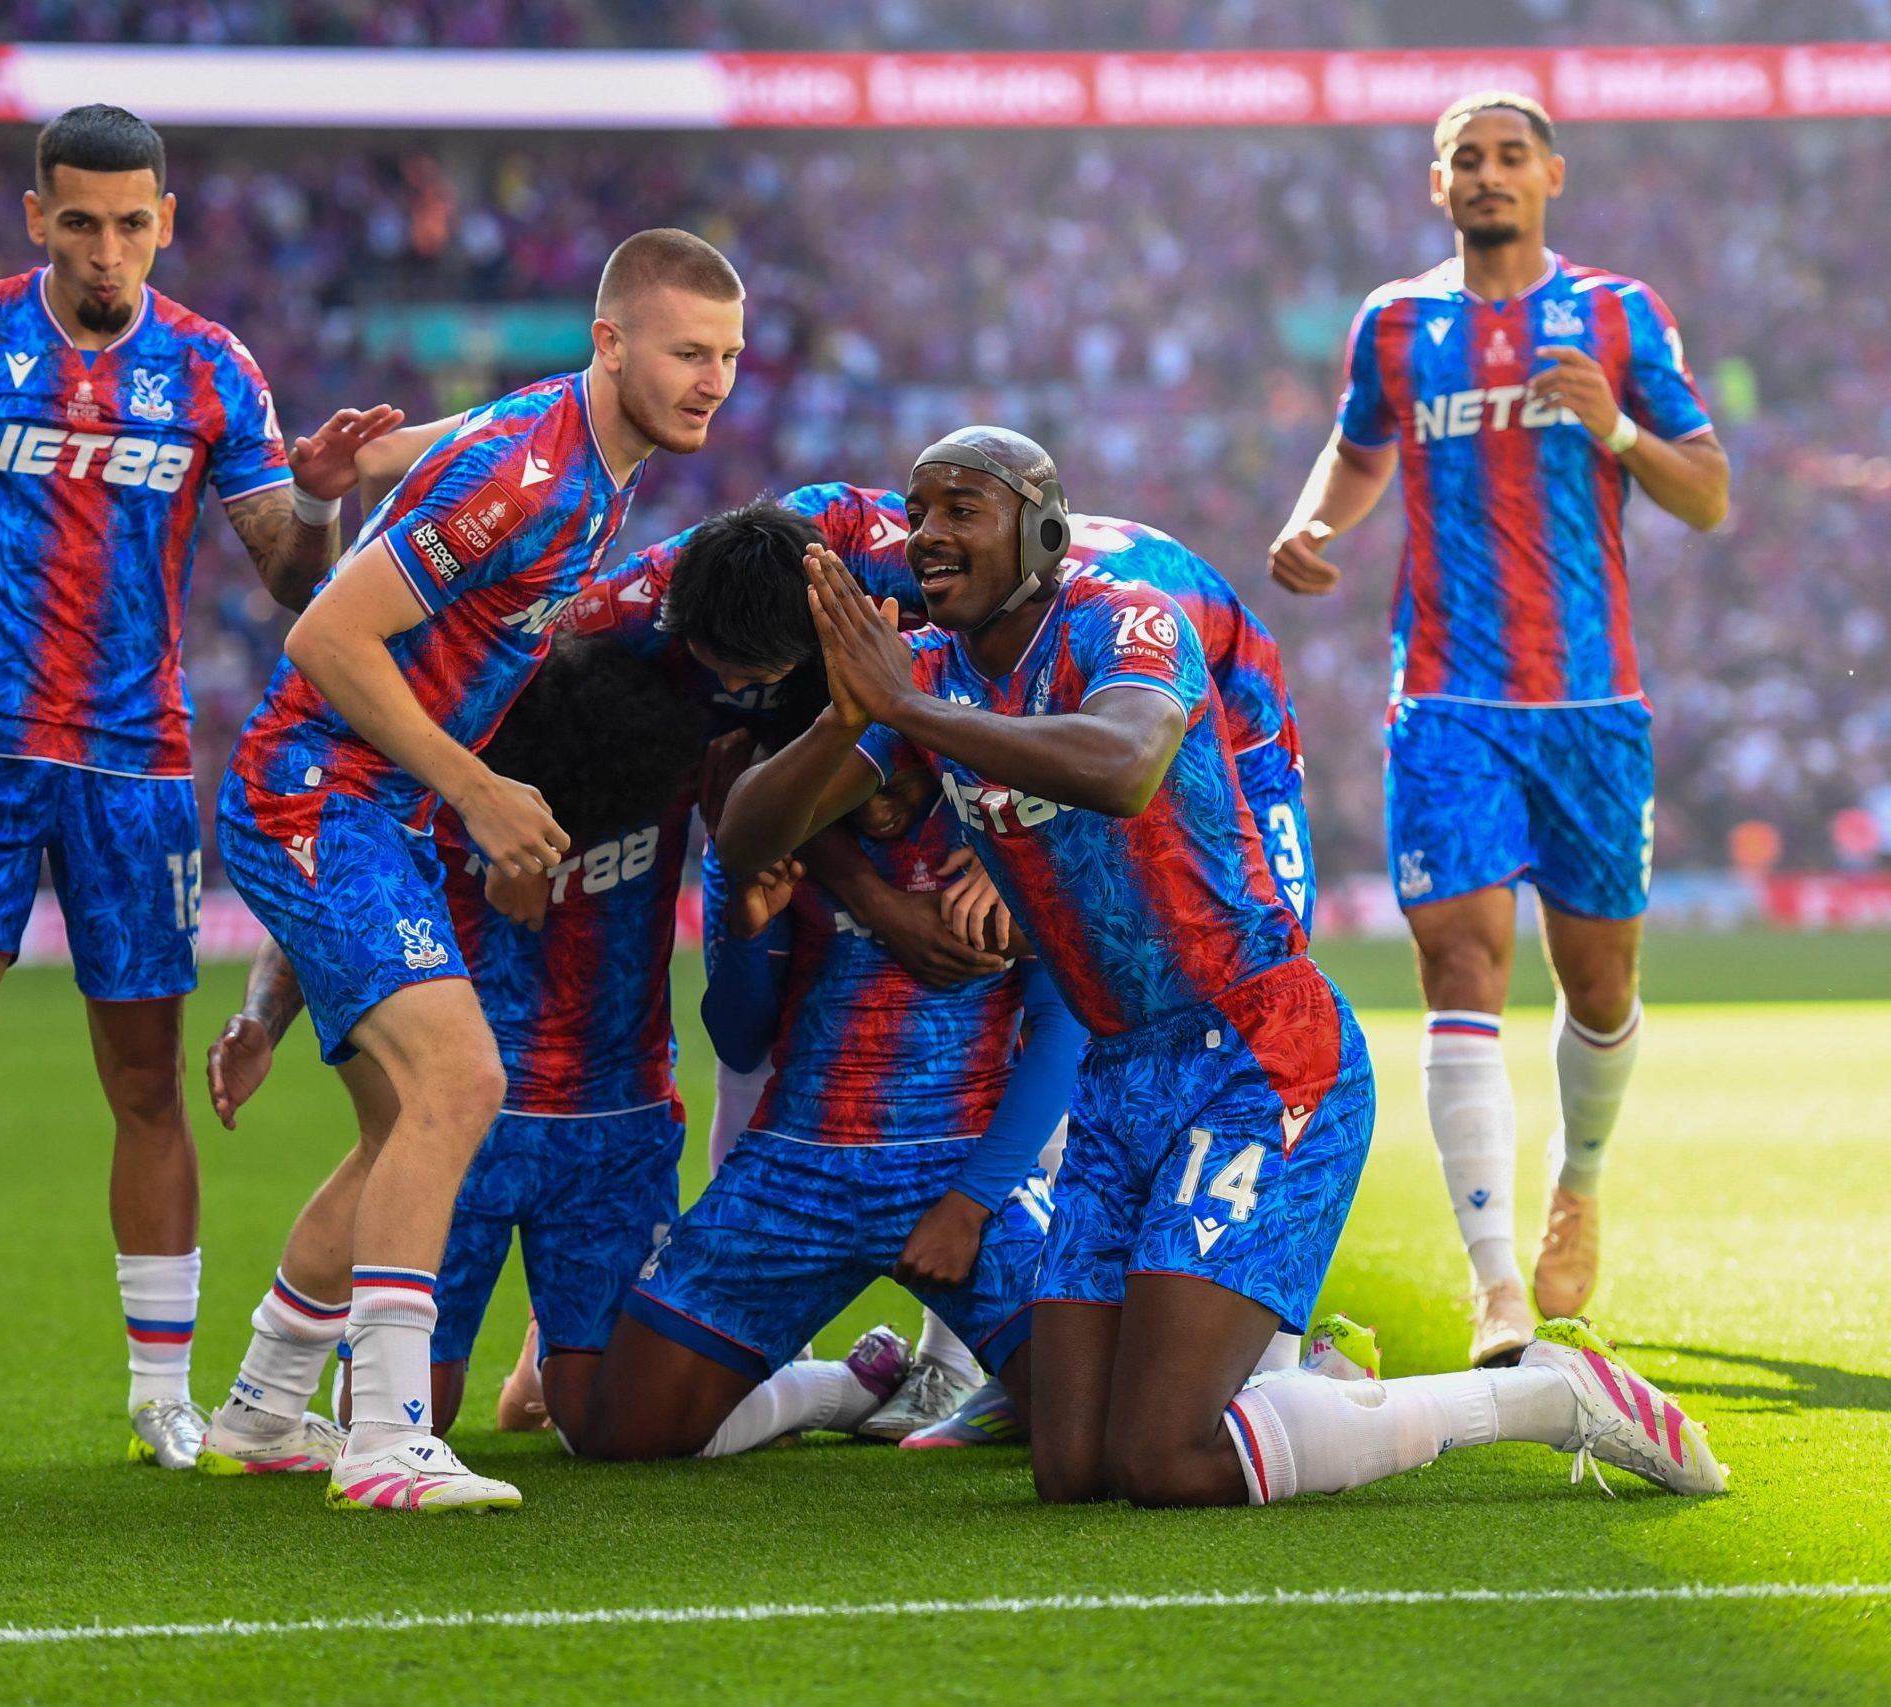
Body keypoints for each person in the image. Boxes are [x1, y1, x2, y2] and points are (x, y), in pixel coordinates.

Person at [721, 425, 1724, 1507]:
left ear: (1043, 530)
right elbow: (742, 836)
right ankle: (1314, 1387)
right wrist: (845, 721)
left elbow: (1125, 763)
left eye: (963, 509)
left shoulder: (1124, 619)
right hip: (1119, 1075)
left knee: (1163, 1461)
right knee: (1071, 1470)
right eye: (918, 512)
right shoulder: (922, 673)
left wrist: (908, 713)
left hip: (1256, 1053)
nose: (927, 534)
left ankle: (1545, 1396)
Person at [0, 103, 398, 1490]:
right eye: (78, 222)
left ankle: (160, 1398)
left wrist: (321, 501)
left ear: (166, 222)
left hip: (134, 770)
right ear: (37, 218)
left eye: (131, 224)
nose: (104, 249)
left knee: (146, 1084)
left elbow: (289, 574)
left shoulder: (211, 369)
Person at [208, 228, 744, 1512]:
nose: (712, 382)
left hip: (363, 807)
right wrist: (477, 787)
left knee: (400, 1126)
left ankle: (261, 1410)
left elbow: (426, 448)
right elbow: (327, 635)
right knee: (464, 1078)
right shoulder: (533, 475)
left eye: (727, 356)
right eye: (687, 352)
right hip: (316, 795)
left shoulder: (577, 445)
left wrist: (346, 473)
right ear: (609, 343)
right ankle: (386, 1441)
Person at [1268, 91, 1729, 1365]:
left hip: (1591, 708)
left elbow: (1707, 493)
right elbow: (1359, 450)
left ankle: (1577, 1182)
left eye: (1509, 156)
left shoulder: (1619, 316)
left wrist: (1615, 426)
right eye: (1464, 158)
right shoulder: (1395, 323)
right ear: (1437, 185)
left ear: (1549, 176)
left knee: (1600, 986)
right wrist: (1315, 521)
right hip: (1445, 699)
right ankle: (1495, 1286)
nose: (1486, 174)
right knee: (1460, 970)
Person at [205, 639, 705, 1441]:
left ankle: (820, 1385)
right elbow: (336, 900)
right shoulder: (436, 793)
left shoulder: (660, 767)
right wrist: (262, 1015)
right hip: (466, 1129)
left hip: (612, 1127)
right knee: (399, 1406)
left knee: (610, 1422)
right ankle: (313, 1419)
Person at [550, 762, 1074, 1463]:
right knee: (622, 1433)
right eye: (864, 782)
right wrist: (744, 935)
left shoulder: (998, 829)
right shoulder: (776, 827)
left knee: (1098, 1426)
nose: (879, 805)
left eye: (896, 782)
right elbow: (741, 1042)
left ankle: (999, 1377)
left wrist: (969, 1204)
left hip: (958, 1171)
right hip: (791, 1169)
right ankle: (844, 1388)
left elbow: (1060, 1033)